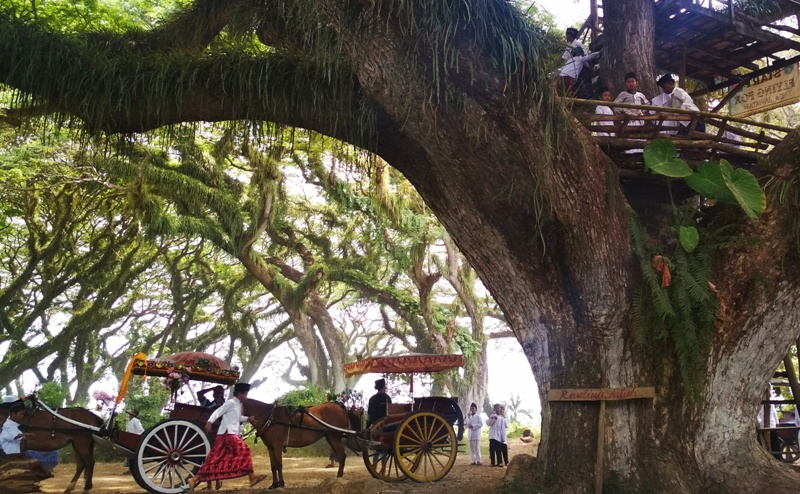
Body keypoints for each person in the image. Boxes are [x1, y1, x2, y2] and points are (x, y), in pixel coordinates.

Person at [185, 382, 266, 492]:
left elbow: (237, 417)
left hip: (225, 435)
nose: (247, 397)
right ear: (239, 394)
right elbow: (218, 411)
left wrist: (248, 419)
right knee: (245, 450)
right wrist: (209, 422)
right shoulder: (231, 402)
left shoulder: (239, 405)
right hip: (228, 434)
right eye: (246, 394)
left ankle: (194, 480)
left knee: (215, 460)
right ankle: (252, 478)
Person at [122, 408, 144, 474]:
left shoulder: (136, 421)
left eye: (131, 411)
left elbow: (141, 430)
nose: (129, 413)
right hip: (130, 440)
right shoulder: (128, 422)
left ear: (134, 414)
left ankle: (135, 470)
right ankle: (130, 469)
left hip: (135, 440)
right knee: (129, 454)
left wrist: (140, 439)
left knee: (133, 455)